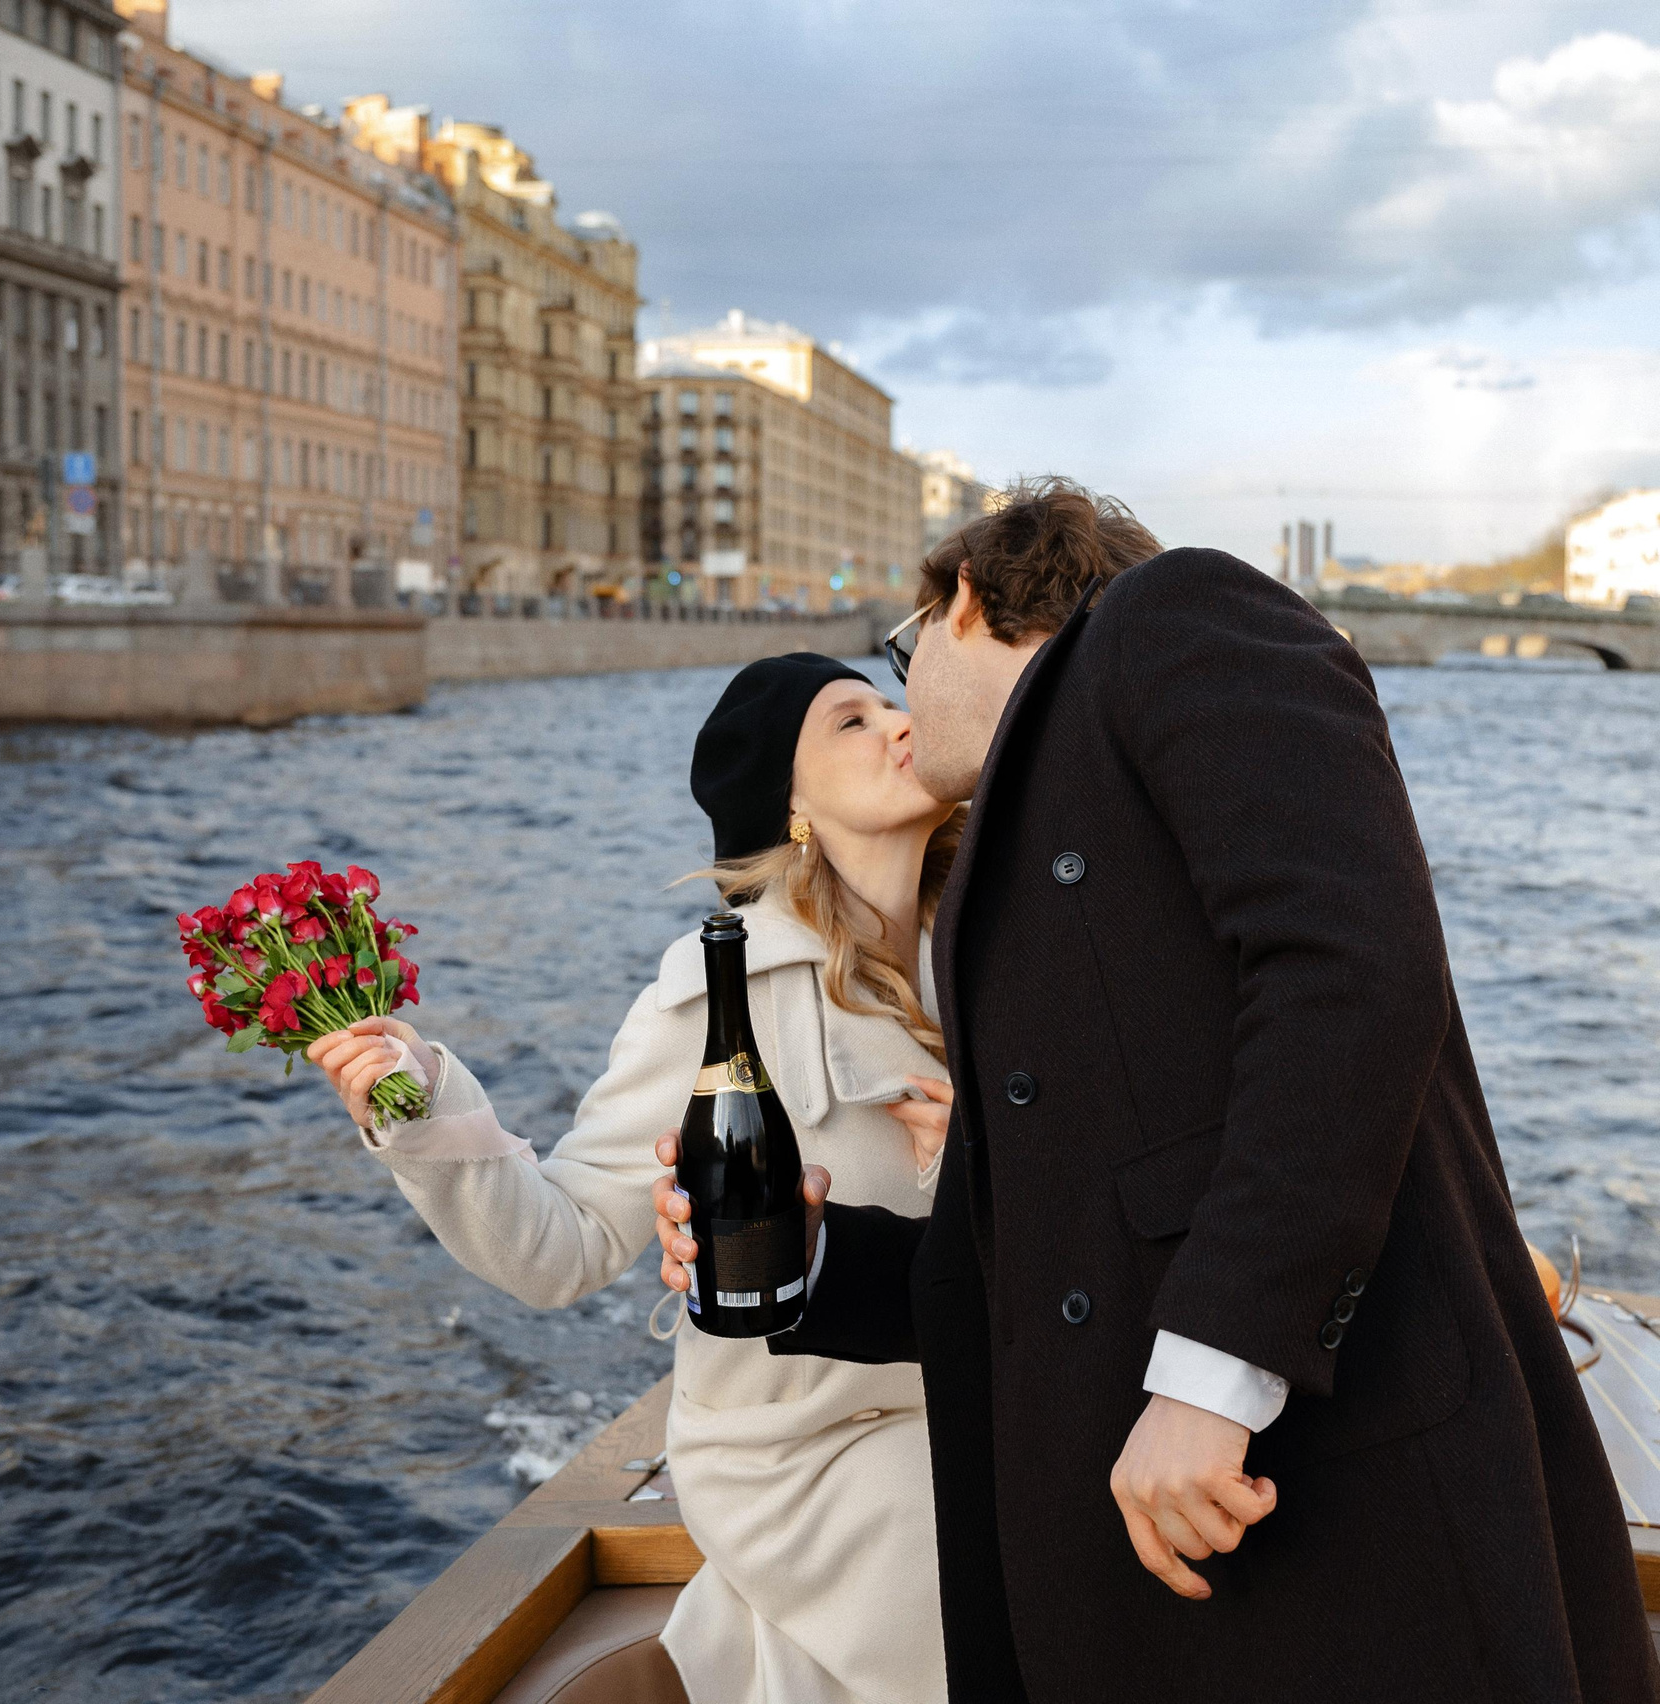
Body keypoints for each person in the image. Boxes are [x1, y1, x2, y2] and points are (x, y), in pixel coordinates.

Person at [654, 480, 1659, 1704]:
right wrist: (815, 1261)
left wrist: (1211, 1373)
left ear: (966, 602)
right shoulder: (1007, 871)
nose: (908, 704)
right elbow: (1054, 1259)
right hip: (1166, 1573)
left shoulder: (1172, 614)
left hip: (1343, 1517)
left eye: (904, 655)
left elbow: (1350, 969)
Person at [309, 653, 962, 1704]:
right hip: (802, 1450)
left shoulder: (987, 954)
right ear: (790, 807)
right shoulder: (718, 989)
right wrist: (421, 1106)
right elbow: (560, 1248)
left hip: (971, 1398)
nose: (897, 724)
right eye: (850, 721)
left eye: (891, 703)